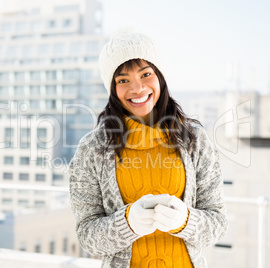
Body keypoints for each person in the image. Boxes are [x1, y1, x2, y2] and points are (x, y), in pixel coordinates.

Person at [69, 31, 228, 268]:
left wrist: (186, 220)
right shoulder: (92, 148)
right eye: (123, 80)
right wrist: (126, 224)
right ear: (112, 89)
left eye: (146, 74)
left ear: (160, 77)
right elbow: (87, 235)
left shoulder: (194, 138)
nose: (137, 88)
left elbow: (218, 223)